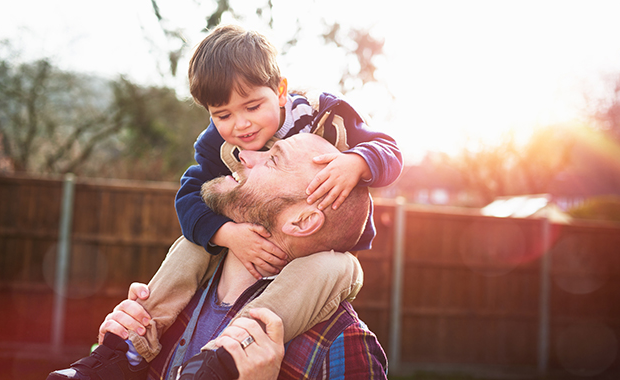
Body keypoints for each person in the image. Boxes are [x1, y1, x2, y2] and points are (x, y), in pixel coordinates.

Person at [48, 23, 401, 380]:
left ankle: (236, 348)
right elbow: (189, 196)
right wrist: (226, 233)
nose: (242, 129)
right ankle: (127, 347)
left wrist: (358, 162)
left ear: (281, 91)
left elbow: (389, 148)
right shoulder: (216, 147)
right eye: (223, 115)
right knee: (193, 241)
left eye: (252, 107)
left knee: (333, 268)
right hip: (226, 240)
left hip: (332, 251)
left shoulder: (325, 114)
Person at [96, 134, 387, 379]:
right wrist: (126, 364)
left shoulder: (341, 344)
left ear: (301, 222)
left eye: (272, 159)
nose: (244, 154)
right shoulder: (172, 298)